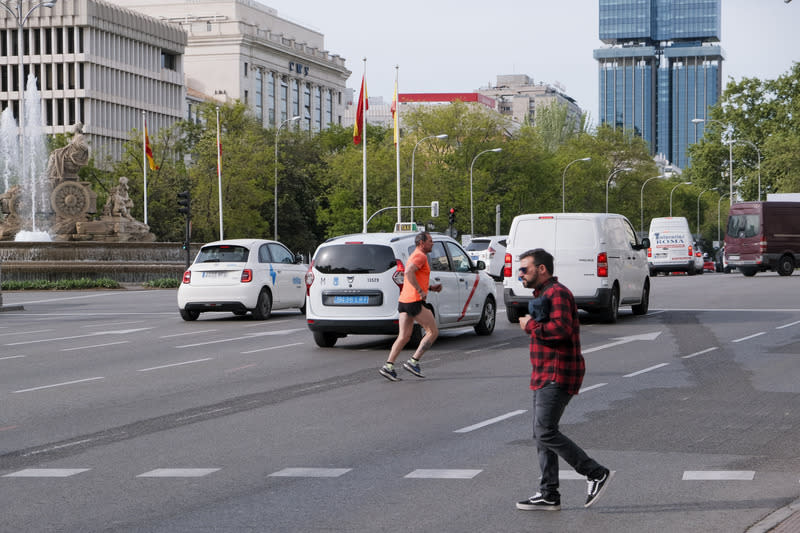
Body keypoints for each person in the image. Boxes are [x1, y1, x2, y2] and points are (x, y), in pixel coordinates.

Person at [515, 248, 613, 511]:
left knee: (545, 431)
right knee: (541, 433)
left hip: (557, 373)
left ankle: (595, 472)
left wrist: (530, 326)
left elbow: (560, 330)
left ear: (542, 269)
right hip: (544, 372)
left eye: (525, 268)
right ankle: (548, 493)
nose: (520, 273)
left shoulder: (557, 293)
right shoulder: (545, 294)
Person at [379, 231, 442, 381]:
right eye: (430, 241)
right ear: (422, 243)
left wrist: (430, 288)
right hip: (414, 301)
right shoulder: (420, 256)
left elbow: (414, 276)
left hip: (404, 300)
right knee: (432, 332)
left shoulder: (415, 255)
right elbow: (408, 272)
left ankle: (388, 366)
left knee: (404, 336)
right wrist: (420, 291)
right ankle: (414, 362)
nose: (432, 243)